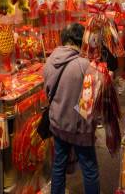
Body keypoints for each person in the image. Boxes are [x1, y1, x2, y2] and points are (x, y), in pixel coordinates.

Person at [43, 23, 100, 194]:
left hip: (57, 122)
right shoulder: (84, 65)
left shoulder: (51, 59)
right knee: (89, 169)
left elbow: (47, 91)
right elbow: (89, 101)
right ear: (81, 40)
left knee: (59, 165)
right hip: (79, 127)